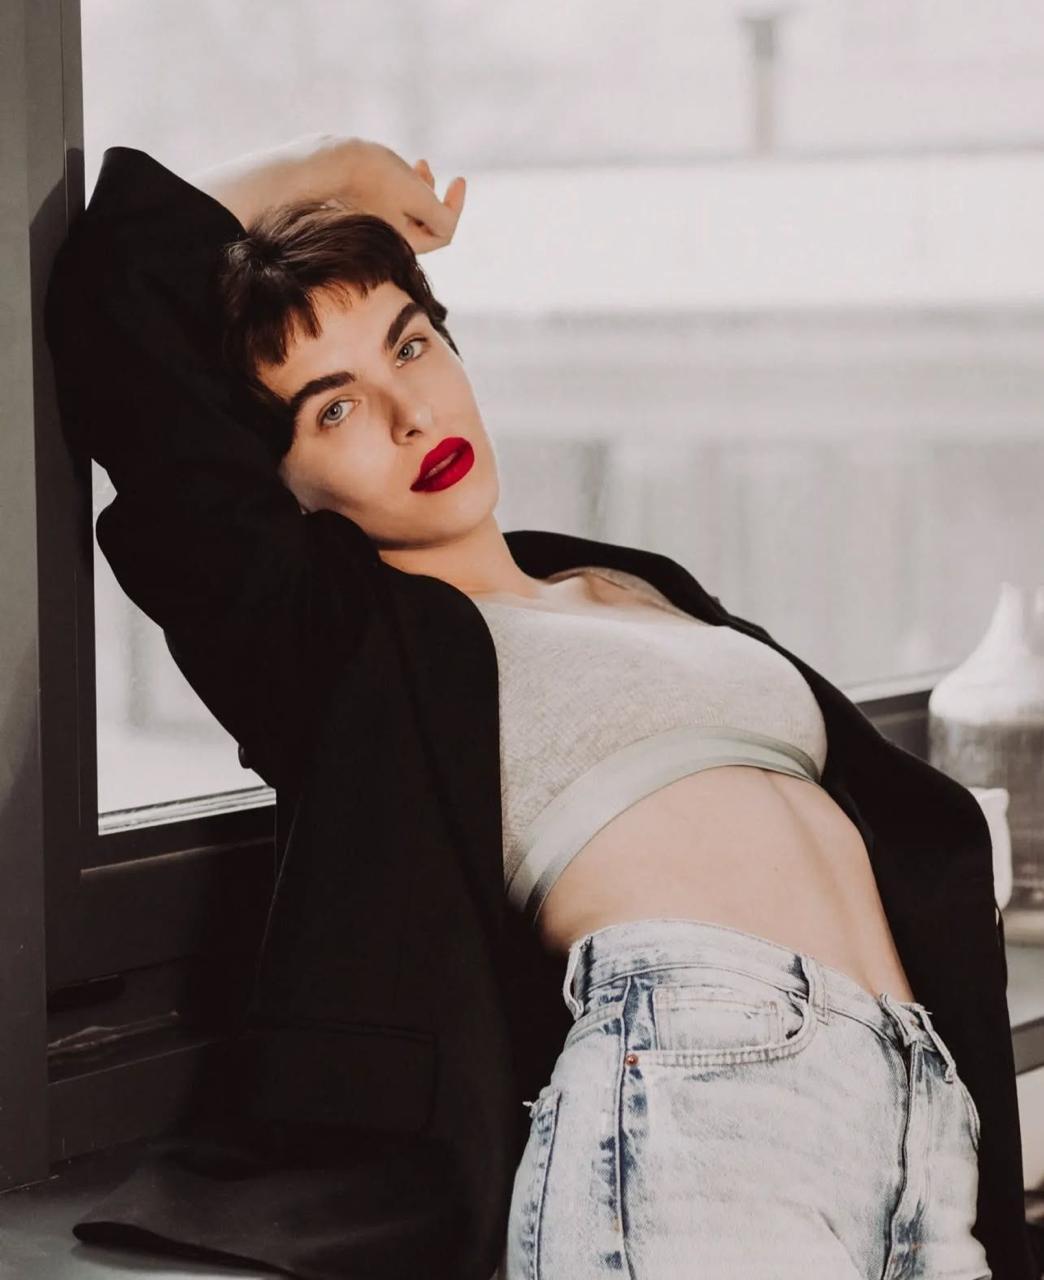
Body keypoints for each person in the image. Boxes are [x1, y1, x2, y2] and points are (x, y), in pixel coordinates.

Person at [43, 135, 1034, 1280]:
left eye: (410, 345)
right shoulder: (342, 648)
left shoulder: (633, 585)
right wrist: (330, 173)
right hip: (703, 1088)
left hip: (918, 1103)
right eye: (334, 408)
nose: (408, 412)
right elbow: (123, 305)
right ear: (284, 485)